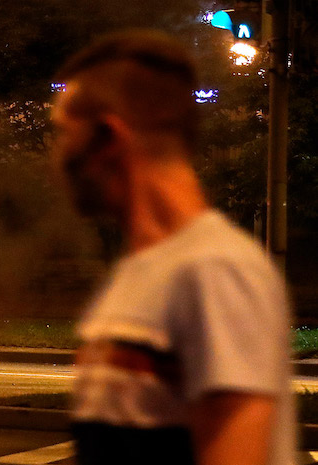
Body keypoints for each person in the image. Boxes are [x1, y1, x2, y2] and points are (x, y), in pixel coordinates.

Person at [50, 30, 294, 465]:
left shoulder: (216, 269)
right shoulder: (136, 272)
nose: (57, 156)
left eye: (65, 134)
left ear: (109, 138)